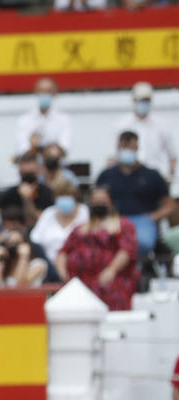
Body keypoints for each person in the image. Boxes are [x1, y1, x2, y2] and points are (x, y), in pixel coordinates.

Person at [95, 130, 174, 259]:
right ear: (118, 148)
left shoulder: (152, 175)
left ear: (137, 147)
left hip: (142, 220)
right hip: (114, 219)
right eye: (123, 147)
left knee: (142, 243)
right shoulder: (107, 175)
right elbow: (96, 199)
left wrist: (152, 217)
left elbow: (169, 205)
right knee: (103, 241)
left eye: (130, 147)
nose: (127, 150)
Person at [58, 187, 138, 312]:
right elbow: (63, 252)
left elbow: (127, 250)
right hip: (79, 283)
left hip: (110, 281)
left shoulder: (122, 225)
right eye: (95, 201)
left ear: (111, 203)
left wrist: (112, 269)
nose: (99, 205)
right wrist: (62, 275)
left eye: (103, 201)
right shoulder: (80, 229)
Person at [114, 82, 175, 180]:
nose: (143, 103)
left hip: (157, 177)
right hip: (129, 176)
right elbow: (114, 154)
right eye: (140, 100)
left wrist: (169, 179)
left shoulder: (161, 125)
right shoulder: (122, 124)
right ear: (133, 100)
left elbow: (172, 156)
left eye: (146, 100)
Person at [30, 182, 86, 266]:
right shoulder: (48, 213)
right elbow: (35, 238)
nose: (64, 198)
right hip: (49, 263)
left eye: (67, 195)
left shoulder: (84, 212)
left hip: (77, 263)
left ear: (75, 197)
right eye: (61, 195)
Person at [15, 78, 71, 158]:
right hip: (32, 168)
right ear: (36, 92)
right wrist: (33, 147)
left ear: (55, 93)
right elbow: (22, 150)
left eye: (48, 91)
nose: (44, 94)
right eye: (41, 91)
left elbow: (65, 147)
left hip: (57, 168)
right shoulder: (24, 120)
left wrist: (50, 150)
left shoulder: (63, 119)